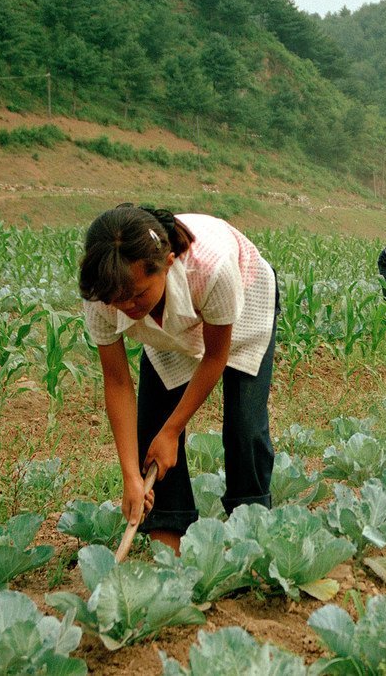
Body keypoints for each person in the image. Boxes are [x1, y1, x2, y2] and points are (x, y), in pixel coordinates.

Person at [80, 204, 278, 554]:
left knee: (244, 425)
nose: (127, 306)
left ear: (167, 264)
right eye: (118, 301)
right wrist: (131, 476)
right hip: (170, 331)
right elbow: (118, 383)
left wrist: (174, 431)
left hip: (243, 306)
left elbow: (216, 357)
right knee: (152, 426)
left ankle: (252, 528)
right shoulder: (103, 295)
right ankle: (169, 535)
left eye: (138, 294)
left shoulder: (212, 270)